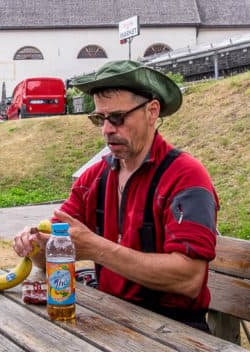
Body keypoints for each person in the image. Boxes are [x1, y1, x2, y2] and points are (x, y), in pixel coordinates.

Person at [13, 59, 218, 332]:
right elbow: (52, 252)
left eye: (118, 118)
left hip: (175, 330)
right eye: (100, 119)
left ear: (152, 111)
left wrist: (96, 248)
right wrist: (35, 244)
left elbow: (189, 279)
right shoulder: (94, 177)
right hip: (110, 319)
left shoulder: (186, 176)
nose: (107, 129)